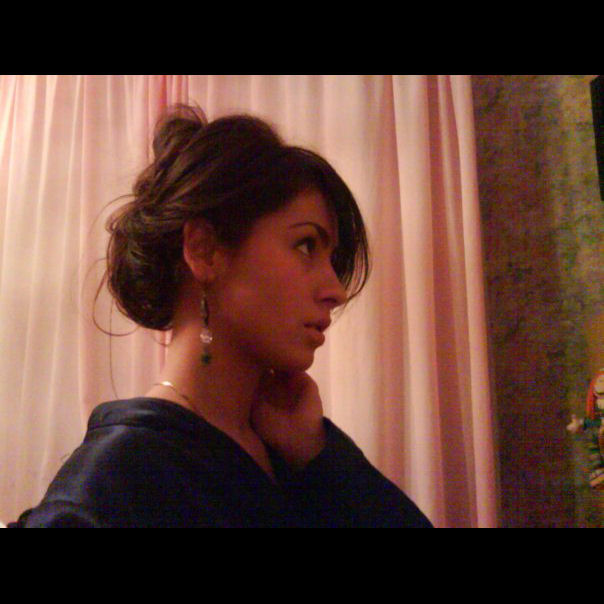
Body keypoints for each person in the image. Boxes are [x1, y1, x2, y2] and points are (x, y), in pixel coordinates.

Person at [9, 105, 432, 528]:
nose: (335, 290)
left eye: (331, 258)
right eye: (306, 245)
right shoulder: (116, 484)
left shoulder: (292, 454)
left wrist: (317, 456)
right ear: (205, 250)